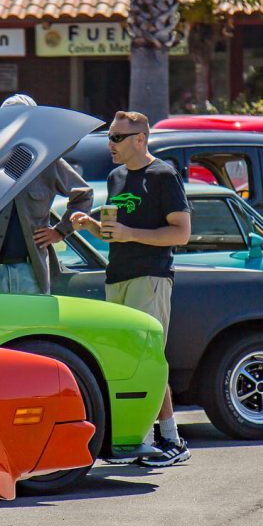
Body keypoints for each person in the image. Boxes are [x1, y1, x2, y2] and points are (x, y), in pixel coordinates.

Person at [72, 110, 192, 468]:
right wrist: (90, 226)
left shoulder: (162, 175)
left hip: (150, 277)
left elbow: (181, 233)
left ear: (141, 139)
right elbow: (117, 235)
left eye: (117, 138)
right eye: (109, 137)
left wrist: (130, 234)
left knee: (148, 358)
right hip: (117, 277)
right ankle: (138, 440)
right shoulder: (116, 177)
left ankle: (171, 440)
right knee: (127, 361)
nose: (110, 144)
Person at [0, 93, 92, 295]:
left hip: (32, 271)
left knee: (37, 318)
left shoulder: (47, 162)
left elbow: (83, 195)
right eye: (9, 120)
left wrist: (60, 231)